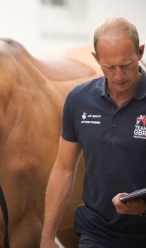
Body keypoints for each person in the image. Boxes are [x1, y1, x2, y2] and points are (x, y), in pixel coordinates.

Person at [40, 17, 146, 248]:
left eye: (126, 65)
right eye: (109, 67)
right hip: (97, 233)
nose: (118, 75)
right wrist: (47, 237)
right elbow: (64, 168)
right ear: (96, 59)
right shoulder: (78, 100)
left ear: (140, 52)